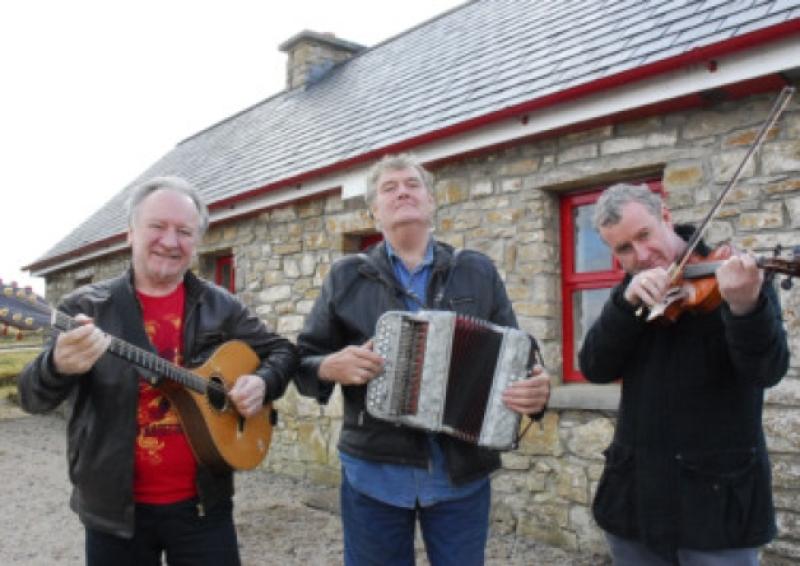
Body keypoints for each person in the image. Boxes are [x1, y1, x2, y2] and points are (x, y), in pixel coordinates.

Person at [18, 176, 298, 566]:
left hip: (205, 505)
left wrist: (263, 382)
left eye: (184, 231)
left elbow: (283, 351)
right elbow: (32, 397)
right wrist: (56, 365)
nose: (170, 241)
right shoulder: (86, 307)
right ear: (130, 234)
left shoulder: (221, 306)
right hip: (115, 514)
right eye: (157, 227)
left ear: (196, 242)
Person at [295, 153, 551, 566]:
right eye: (389, 188)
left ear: (431, 202)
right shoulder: (346, 276)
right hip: (374, 470)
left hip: (460, 472)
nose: (402, 192)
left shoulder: (477, 270)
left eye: (412, 185)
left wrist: (537, 392)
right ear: (374, 211)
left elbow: (520, 357)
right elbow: (302, 360)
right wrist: (329, 367)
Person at [578, 183, 789, 565]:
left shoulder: (735, 276)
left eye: (644, 235)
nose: (641, 255)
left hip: (718, 507)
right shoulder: (632, 294)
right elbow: (594, 366)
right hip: (635, 503)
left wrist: (744, 308)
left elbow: (767, 370)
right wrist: (625, 305)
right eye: (623, 248)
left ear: (665, 217)